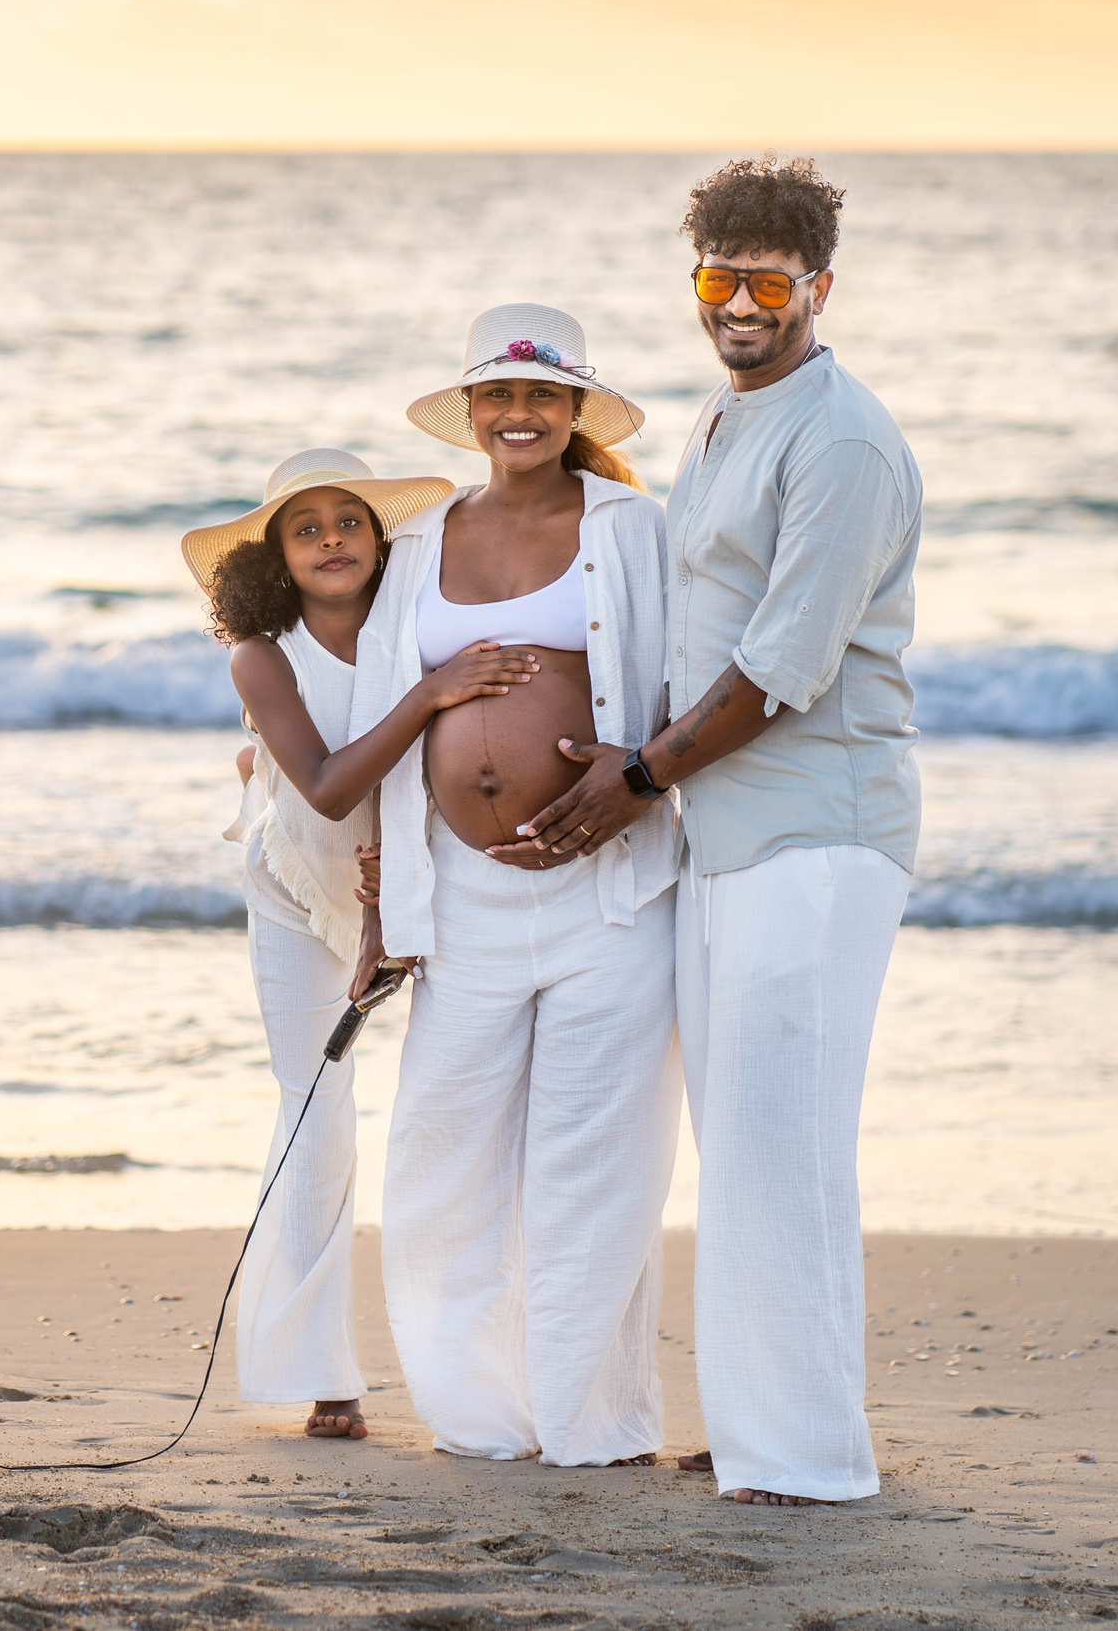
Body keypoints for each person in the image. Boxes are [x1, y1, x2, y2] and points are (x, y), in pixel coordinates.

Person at [509, 157, 924, 1505]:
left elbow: (779, 668)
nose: (737, 303)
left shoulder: (843, 440)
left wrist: (634, 775)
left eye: (765, 281)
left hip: (816, 833)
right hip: (723, 836)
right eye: (715, 277)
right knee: (742, 1140)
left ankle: (805, 1456)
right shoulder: (719, 420)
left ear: (817, 288)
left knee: (785, 1143)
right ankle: (759, 1422)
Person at [345, 304, 683, 1469]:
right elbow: (380, 712)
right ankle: (479, 1414)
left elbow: (703, 679)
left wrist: (634, 780)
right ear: (473, 413)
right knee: (442, 1157)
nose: (520, 414)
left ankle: (591, 1424)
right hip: (462, 899)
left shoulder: (633, 528)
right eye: (499, 396)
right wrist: (377, 899)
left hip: (609, 893)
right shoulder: (424, 539)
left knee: (596, 1162)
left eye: (543, 396)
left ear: (575, 411)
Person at [185, 447, 542, 1441]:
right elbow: (332, 785)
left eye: (349, 522)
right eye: (306, 529)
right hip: (297, 886)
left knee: (453, 1107)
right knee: (315, 1107)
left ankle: (487, 1348)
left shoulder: (417, 629)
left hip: (415, 880)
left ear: (380, 541)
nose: (331, 541)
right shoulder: (262, 653)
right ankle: (320, 1372)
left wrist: (394, 909)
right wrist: (430, 696)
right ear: (276, 557)